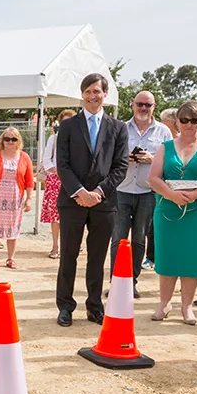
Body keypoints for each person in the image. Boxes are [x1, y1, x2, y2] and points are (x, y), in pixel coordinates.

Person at [54, 73, 128, 327]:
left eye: (97, 91)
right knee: (68, 256)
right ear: (82, 94)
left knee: (97, 257)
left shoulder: (118, 128)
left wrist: (98, 192)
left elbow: (121, 166)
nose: (92, 96)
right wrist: (79, 192)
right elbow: (61, 163)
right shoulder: (67, 126)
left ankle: (94, 306)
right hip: (72, 201)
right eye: (87, 91)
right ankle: (65, 306)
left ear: (105, 94)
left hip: (104, 203)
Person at [147, 100, 197, 324]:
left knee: (192, 258)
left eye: (195, 120)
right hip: (168, 208)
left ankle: (187, 306)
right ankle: (164, 303)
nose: (189, 125)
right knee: (168, 257)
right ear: (177, 121)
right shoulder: (165, 147)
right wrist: (171, 195)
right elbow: (153, 178)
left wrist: (194, 194)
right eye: (184, 120)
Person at [109, 91, 171, 299]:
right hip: (121, 191)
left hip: (147, 192)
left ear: (154, 106)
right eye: (140, 104)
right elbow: (108, 158)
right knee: (118, 239)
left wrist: (152, 158)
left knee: (139, 240)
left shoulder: (163, 132)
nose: (143, 108)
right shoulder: (120, 128)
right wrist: (125, 158)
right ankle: (116, 283)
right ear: (132, 105)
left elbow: (171, 161)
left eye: (148, 105)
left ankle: (131, 283)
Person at [0, 127, 35, 268]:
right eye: (7, 138)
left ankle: (11, 258)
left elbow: (29, 180)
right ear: (2, 139)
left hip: (15, 198)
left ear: (18, 141)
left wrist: (29, 199)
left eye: (13, 139)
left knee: (13, 229)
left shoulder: (24, 157)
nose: (10, 141)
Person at [39, 110, 75, 259]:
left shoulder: (79, 139)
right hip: (56, 180)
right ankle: (55, 246)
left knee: (73, 215)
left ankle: (73, 245)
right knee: (55, 216)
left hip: (74, 181)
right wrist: (61, 173)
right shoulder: (54, 139)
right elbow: (47, 160)